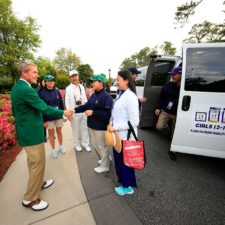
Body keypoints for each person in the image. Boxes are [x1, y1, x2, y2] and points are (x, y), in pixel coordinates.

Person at [10, 60, 73, 211]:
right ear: (24, 73)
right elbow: (44, 108)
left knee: (34, 164)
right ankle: (30, 199)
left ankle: (39, 183)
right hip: (31, 134)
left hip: (27, 132)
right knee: (37, 164)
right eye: (34, 72)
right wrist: (63, 112)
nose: (38, 75)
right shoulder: (26, 90)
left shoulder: (19, 87)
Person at [108, 70, 139, 195]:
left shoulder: (130, 97)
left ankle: (127, 187)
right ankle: (123, 183)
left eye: (118, 79)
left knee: (126, 164)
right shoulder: (122, 94)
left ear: (126, 80)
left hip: (126, 137)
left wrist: (115, 126)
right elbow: (116, 112)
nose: (117, 82)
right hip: (118, 137)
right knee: (120, 162)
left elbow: (134, 121)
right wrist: (111, 122)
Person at [75, 74, 113, 173]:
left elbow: (108, 114)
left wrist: (93, 112)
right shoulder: (94, 94)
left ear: (100, 82)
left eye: (94, 81)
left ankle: (105, 166)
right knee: (96, 145)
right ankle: (105, 159)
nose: (92, 83)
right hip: (92, 125)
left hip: (100, 127)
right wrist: (74, 110)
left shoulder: (106, 96)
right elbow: (86, 106)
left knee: (101, 146)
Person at [38, 74, 65, 158]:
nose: (51, 82)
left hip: (58, 116)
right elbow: (41, 108)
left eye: (52, 81)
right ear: (45, 82)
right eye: (49, 81)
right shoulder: (41, 93)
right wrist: (44, 120)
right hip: (48, 118)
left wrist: (62, 113)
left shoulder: (56, 91)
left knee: (59, 131)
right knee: (51, 133)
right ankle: (53, 149)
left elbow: (61, 103)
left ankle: (61, 146)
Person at [65, 70, 91, 152]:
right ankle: (77, 145)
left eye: (75, 76)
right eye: (72, 76)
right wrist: (68, 114)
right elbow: (67, 101)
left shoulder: (81, 87)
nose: (74, 78)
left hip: (83, 111)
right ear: (70, 78)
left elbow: (85, 98)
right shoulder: (68, 88)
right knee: (75, 130)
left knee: (85, 129)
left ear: (78, 76)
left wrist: (87, 108)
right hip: (74, 112)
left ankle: (85, 144)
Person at [155, 66, 182, 138]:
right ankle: (168, 133)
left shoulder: (185, 87)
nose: (172, 77)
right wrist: (158, 107)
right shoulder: (168, 85)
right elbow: (161, 96)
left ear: (180, 74)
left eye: (174, 75)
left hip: (177, 114)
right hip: (165, 111)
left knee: (175, 133)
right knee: (159, 127)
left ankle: (172, 142)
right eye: (171, 75)